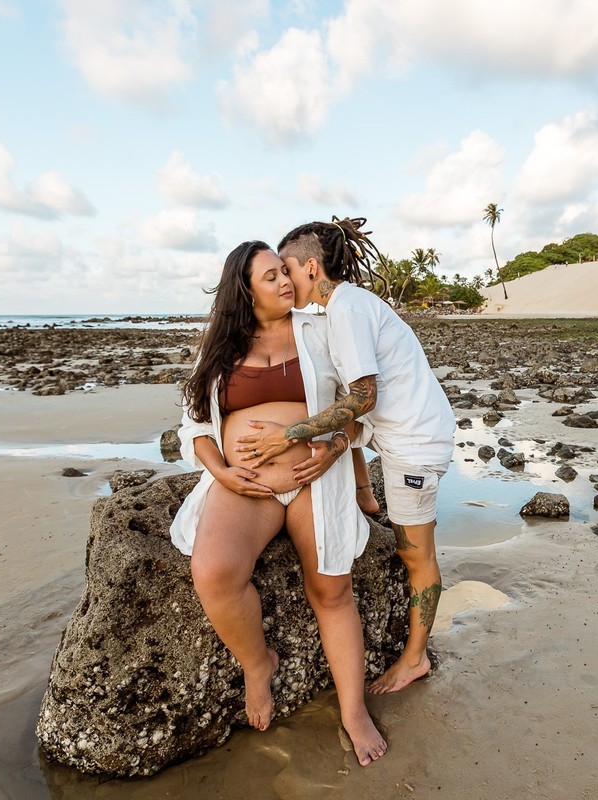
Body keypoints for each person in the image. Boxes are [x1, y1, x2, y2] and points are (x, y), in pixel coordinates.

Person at [168, 240, 387, 766]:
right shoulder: (219, 349)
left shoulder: (322, 330)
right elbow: (194, 425)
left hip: (315, 478)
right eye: (271, 277)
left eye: (284, 272)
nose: (286, 282)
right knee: (214, 573)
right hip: (248, 485)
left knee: (331, 589)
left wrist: (334, 447)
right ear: (244, 292)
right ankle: (257, 664)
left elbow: (362, 412)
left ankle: (354, 711)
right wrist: (221, 470)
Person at [235, 217, 455, 695]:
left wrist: (286, 435)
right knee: (345, 437)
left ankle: (414, 659)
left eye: (287, 269)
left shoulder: (347, 310)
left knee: (416, 555)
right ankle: (366, 497)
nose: (284, 279)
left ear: (311, 268)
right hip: (397, 434)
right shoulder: (341, 307)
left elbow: (362, 398)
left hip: (413, 446)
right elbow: (352, 406)